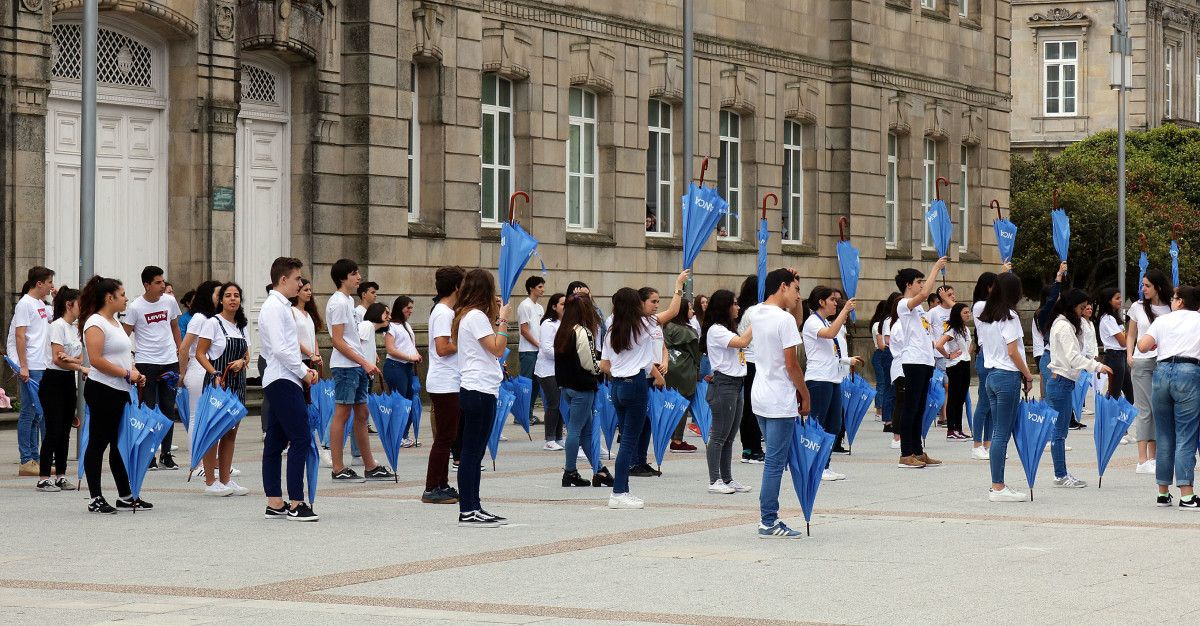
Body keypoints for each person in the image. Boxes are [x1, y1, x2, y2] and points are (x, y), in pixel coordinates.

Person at [79, 275, 150, 513]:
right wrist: (125, 373)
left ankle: (126, 495)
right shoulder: (95, 322)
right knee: (98, 443)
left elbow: (123, 355)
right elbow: (97, 360)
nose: (126, 298)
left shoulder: (115, 322)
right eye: (122, 295)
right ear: (109, 298)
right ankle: (95, 497)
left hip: (120, 389)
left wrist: (135, 372)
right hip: (102, 390)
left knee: (119, 445)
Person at [259, 257, 320, 521]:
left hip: (283, 377)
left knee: (275, 441)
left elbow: (286, 346)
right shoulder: (275, 307)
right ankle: (296, 502)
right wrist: (304, 372)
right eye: (297, 278)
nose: (300, 283)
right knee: (300, 437)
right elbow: (282, 349)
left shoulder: (281, 306)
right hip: (283, 378)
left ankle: (275, 502)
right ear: (283, 279)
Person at [752, 268, 810, 538]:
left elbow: (794, 325)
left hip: (760, 394)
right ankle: (768, 520)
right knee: (774, 463)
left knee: (773, 460)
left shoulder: (757, 312)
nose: (799, 296)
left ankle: (768, 517)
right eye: (796, 290)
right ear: (783, 286)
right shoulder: (782, 319)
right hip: (779, 397)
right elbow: (792, 363)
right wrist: (805, 393)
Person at [452, 269, 511, 527]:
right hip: (478, 389)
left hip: (479, 388)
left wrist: (496, 316)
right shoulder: (474, 316)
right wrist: (504, 321)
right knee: (472, 452)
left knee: (473, 452)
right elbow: (498, 349)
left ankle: (474, 505)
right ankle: (468, 508)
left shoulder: (470, 315)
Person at [326, 259, 393, 482]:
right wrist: (363, 362)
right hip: (345, 366)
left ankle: (370, 465)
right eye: (354, 274)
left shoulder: (347, 302)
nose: (359, 277)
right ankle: (338, 467)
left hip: (355, 365)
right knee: (342, 413)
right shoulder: (338, 303)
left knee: (362, 414)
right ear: (343, 278)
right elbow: (337, 341)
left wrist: (364, 362)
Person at [601, 287, 668, 509]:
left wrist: (621, 373)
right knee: (630, 440)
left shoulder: (611, 330)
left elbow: (604, 364)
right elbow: (673, 312)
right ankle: (619, 491)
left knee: (626, 437)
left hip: (617, 386)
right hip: (635, 384)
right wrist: (678, 287)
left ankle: (621, 490)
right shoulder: (644, 325)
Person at [1137, 285, 1200, 509]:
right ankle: (1187, 494)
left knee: (1164, 435)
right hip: (1189, 372)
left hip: (1161, 373)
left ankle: (1163, 493)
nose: (1172, 302)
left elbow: (1142, 346)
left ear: (1181, 301)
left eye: (1174, 298)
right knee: (1186, 434)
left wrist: (1159, 342)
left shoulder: (1162, 321)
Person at [977, 271, 1036, 502]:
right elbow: (1013, 351)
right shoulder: (1009, 316)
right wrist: (1028, 374)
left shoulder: (987, 315)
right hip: (1007, 376)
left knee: (998, 432)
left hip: (992, 375)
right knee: (1002, 433)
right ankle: (998, 486)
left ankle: (998, 485)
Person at [1046, 288, 1111, 490]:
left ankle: (1061, 473)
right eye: (1081, 308)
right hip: (1061, 382)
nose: (1083, 311)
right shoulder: (1063, 326)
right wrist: (1098, 366)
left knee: (1061, 431)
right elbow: (1073, 357)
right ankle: (1061, 474)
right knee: (1059, 432)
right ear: (1071, 306)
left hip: (1063, 381)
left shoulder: (1064, 324)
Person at [629, 271, 689, 476]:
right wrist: (678, 285)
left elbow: (661, 346)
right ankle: (632, 463)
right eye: (653, 302)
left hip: (654, 377)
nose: (656, 305)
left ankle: (641, 460)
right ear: (641, 303)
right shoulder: (639, 322)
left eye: (657, 301)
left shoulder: (653, 323)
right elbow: (643, 356)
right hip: (644, 377)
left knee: (648, 422)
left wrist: (665, 362)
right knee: (638, 422)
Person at [123, 266, 182, 471]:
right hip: (146, 362)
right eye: (157, 282)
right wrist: (129, 360)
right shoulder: (135, 307)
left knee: (168, 408)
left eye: (163, 281)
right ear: (146, 285)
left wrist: (179, 352)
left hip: (169, 361)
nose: (162, 285)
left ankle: (166, 453)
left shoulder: (170, 301)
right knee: (148, 409)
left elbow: (175, 326)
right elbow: (125, 334)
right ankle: (149, 455)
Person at [195, 282, 252, 497]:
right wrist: (214, 373)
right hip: (218, 382)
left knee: (230, 433)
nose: (232, 299)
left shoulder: (242, 325)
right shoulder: (212, 323)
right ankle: (210, 481)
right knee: (214, 432)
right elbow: (200, 353)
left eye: (236, 295)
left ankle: (226, 479)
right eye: (228, 295)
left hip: (237, 383)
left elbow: (247, 353)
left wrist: (243, 362)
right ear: (220, 300)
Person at [890, 258, 948, 469]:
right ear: (908, 285)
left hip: (925, 360)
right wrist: (935, 269)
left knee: (920, 407)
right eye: (919, 281)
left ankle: (917, 450)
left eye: (923, 281)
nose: (922, 285)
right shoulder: (903, 304)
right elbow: (924, 295)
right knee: (910, 407)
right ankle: (906, 453)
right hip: (912, 361)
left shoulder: (920, 310)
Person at [554, 293, 613, 487]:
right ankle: (570, 471)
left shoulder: (563, 330)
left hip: (567, 386)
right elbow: (589, 363)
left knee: (585, 431)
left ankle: (599, 469)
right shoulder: (582, 332)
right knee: (576, 430)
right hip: (582, 386)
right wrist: (602, 369)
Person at [801, 286, 859, 480]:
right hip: (818, 379)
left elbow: (832, 351)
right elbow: (829, 333)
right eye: (833, 300)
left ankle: (824, 465)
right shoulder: (812, 322)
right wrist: (845, 311)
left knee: (833, 424)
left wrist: (846, 361)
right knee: (818, 423)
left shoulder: (824, 321)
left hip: (832, 377)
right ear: (821, 302)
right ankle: (812, 464)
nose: (836, 303)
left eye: (837, 301)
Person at [701, 289, 754, 494]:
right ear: (724, 307)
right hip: (724, 384)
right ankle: (715, 480)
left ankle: (727, 478)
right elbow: (742, 343)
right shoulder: (716, 330)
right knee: (719, 435)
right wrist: (756, 321)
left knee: (731, 436)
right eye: (734, 304)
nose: (738, 308)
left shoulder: (728, 329)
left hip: (737, 383)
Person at [5, 266, 54, 476]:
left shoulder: (40, 303)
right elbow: (20, 336)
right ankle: (27, 460)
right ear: (39, 283)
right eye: (50, 282)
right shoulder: (25, 304)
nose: (52, 286)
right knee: (28, 413)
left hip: (41, 364)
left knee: (38, 414)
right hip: (31, 366)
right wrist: (23, 365)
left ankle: (36, 459)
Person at [35, 286, 85, 492]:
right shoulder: (57, 326)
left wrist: (73, 360)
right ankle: (44, 477)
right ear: (69, 304)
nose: (82, 308)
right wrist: (80, 366)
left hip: (67, 380)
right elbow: (57, 358)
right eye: (79, 303)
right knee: (53, 430)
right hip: (52, 380)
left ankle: (61, 475)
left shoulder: (75, 328)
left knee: (65, 430)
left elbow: (78, 357)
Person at [424, 266, 466, 504]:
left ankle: (441, 482)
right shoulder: (443, 313)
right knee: (444, 438)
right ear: (457, 287)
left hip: (449, 381)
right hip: (444, 382)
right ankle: (432, 487)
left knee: (448, 436)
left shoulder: (447, 311)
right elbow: (442, 348)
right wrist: (463, 341)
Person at [1127, 269, 1172, 474]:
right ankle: (1142, 459)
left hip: (1163, 361)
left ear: (1158, 287)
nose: (1143, 289)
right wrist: (1129, 355)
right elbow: (1131, 334)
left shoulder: (1171, 308)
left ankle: (1153, 458)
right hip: (1142, 361)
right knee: (1145, 409)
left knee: (1158, 408)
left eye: (1147, 285)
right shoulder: (1137, 307)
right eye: (1143, 285)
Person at [178, 280, 221, 467]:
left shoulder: (214, 319)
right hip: (197, 370)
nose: (221, 299)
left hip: (211, 370)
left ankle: (213, 462)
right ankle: (196, 464)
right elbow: (184, 347)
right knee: (197, 417)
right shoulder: (199, 318)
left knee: (212, 417)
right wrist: (181, 373)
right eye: (218, 295)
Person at [735, 276, 766, 464]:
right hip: (754, 361)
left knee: (748, 407)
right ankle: (753, 448)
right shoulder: (756, 311)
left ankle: (749, 448)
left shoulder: (747, 310)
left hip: (747, 361)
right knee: (753, 407)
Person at [384, 295, 421, 447]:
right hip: (395, 366)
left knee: (411, 401)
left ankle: (403, 434)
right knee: (400, 402)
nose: (410, 311)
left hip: (407, 366)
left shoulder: (406, 325)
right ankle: (397, 435)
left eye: (411, 308)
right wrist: (411, 356)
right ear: (401, 308)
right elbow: (391, 349)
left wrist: (416, 355)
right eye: (408, 308)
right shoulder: (391, 326)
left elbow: (409, 345)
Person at [664, 298, 700, 453]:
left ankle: (671, 436)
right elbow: (695, 354)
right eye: (690, 308)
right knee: (683, 404)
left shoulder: (667, 326)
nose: (693, 311)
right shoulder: (688, 331)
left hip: (668, 367)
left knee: (671, 404)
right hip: (684, 369)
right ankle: (677, 440)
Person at [969, 271, 999, 460]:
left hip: (993, 356)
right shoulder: (980, 305)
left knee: (991, 404)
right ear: (988, 287)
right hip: (985, 357)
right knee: (983, 402)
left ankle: (987, 444)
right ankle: (976, 444)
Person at [935, 302, 972, 440]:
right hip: (955, 365)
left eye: (968, 312)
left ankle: (959, 428)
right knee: (954, 398)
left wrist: (967, 353)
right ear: (958, 314)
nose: (968, 315)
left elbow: (969, 345)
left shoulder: (966, 329)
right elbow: (939, 344)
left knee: (961, 398)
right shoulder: (952, 330)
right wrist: (948, 355)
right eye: (965, 312)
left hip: (965, 363)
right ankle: (951, 429)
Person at [536, 293, 566, 450]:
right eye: (562, 304)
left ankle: (558, 437)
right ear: (554, 306)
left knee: (561, 403)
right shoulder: (548, 324)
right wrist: (567, 356)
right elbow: (547, 349)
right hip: (547, 370)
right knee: (553, 403)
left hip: (560, 370)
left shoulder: (565, 323)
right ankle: (549, 439)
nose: (565, 307)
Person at [518, 275, 547, 426]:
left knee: (536, 383)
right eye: (540, 287)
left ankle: (528, 413)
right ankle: (521, 415)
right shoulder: (525, 305)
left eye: (543, 286)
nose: (543, 290)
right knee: (526, 383)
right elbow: (524, 330)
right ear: (531, 288)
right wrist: (538, 344)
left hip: (538, 350)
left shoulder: (540, 307)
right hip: (528, 350)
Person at [1096, 287, 1133, 401]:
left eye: (1120, 298)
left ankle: (1121, 417)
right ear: (1109, 301)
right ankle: (1109, 417)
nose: (1120, 300)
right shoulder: (1108, 319)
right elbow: (1123, 342)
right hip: (1114, 357)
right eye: (1117, 298)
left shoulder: (1114, 318)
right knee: (1114, 394)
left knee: (1129, 394)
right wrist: (1132, 326)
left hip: (1120, 356)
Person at [870, 294, 900, 431]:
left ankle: (892, 417)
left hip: (895, 353)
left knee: (894, 387)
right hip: (890, 353)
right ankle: (888, 420)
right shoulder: (889, 320)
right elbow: (887, 340)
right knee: (888, 385)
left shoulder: (895, 319)